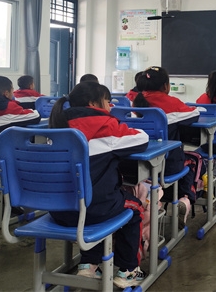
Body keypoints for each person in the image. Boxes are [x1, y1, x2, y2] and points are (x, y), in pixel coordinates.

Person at [48, 81, 148, 288]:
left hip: (58, 210)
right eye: (107, 101)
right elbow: (141, 139)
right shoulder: (105, 126)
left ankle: (88, 265)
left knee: (93, 204)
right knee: (134, 208)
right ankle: (128, 270)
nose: (110, 106)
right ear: (93, 103)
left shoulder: (57, 124)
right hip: (94, 210)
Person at [133, 66, 200, 227]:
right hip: (166, 166)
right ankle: (185, 198)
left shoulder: (132, 101)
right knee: (194, 160)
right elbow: (194, 114)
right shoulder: (171, 103)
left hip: (136, 167)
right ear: (165, 86)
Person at [0, 76, 41, 197]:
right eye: (12, 90)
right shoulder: (7, 107)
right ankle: (22, 195)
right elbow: (35, 116)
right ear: (6, 93)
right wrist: (33, 110)